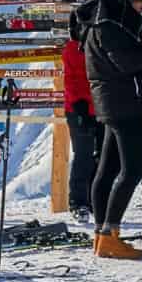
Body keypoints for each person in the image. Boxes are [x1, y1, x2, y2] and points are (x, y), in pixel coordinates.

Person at [72, 0, 142, 260]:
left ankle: (102, 235)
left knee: (108, 168)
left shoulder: (101, 20)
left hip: (109, 101)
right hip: (124, 101)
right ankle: (110, 234)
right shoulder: (112, 24)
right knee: (132, 169)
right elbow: (124, 62)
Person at [61, 23, 101, 224]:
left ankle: (95, 200)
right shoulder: (73, 49)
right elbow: (71, 80)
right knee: (84, 155)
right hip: (80, 109)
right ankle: (78, 203)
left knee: (101, 156)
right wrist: (79, 106)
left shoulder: (98, 45)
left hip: (100, 107)